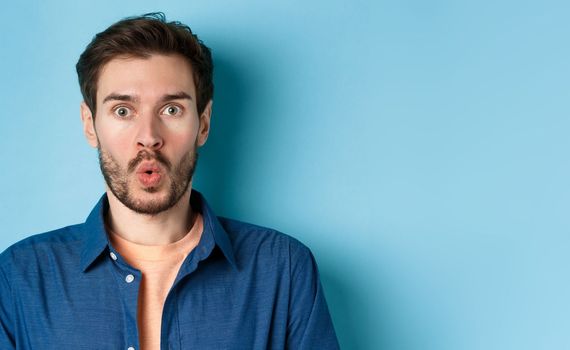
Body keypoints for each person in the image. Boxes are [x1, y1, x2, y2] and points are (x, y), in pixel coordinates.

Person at [0, 13, 339, 350]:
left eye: (171, 110)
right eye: (122, 110)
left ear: (203, 124)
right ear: (90, 125)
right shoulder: (20, 277)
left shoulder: (283, 270)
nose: (148, 137)